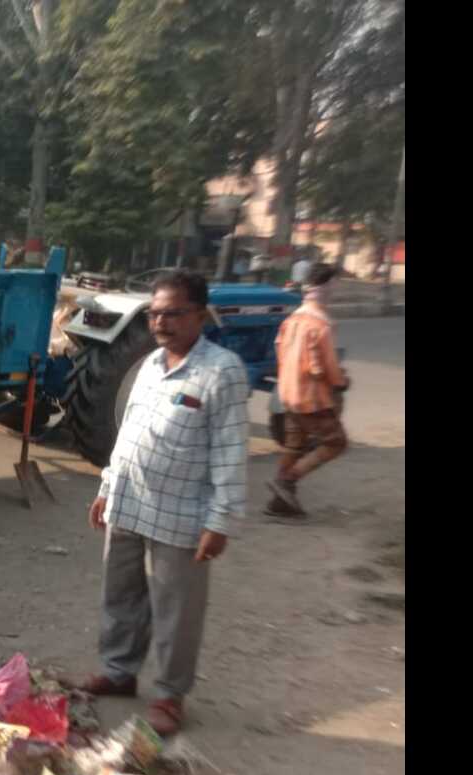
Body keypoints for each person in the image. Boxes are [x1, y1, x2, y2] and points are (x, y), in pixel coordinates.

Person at [77, 271, 249, 736]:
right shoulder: (151, 363)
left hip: (181, 513)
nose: (161, 322)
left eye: (173, 313)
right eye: (155, 313)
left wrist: (221, 520)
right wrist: (108, 486)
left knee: (176, 606)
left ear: (200, 314)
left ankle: (170, 694)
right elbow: (129, 432)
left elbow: (230, 450)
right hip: (130, 502)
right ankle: (119, 671)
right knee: (121, 595)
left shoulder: (222, 371)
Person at [266, 263, 349, 518]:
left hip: (288, 393)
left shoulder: (291, 320)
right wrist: (340, 382)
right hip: (311, 399)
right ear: (329, 285)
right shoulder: (321, 325)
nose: (337, 287)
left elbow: (280, 350)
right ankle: (287, 480)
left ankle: (279, 505)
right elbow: (325, 368)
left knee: (294, 446)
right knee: (336, 442)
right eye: (336, 282)